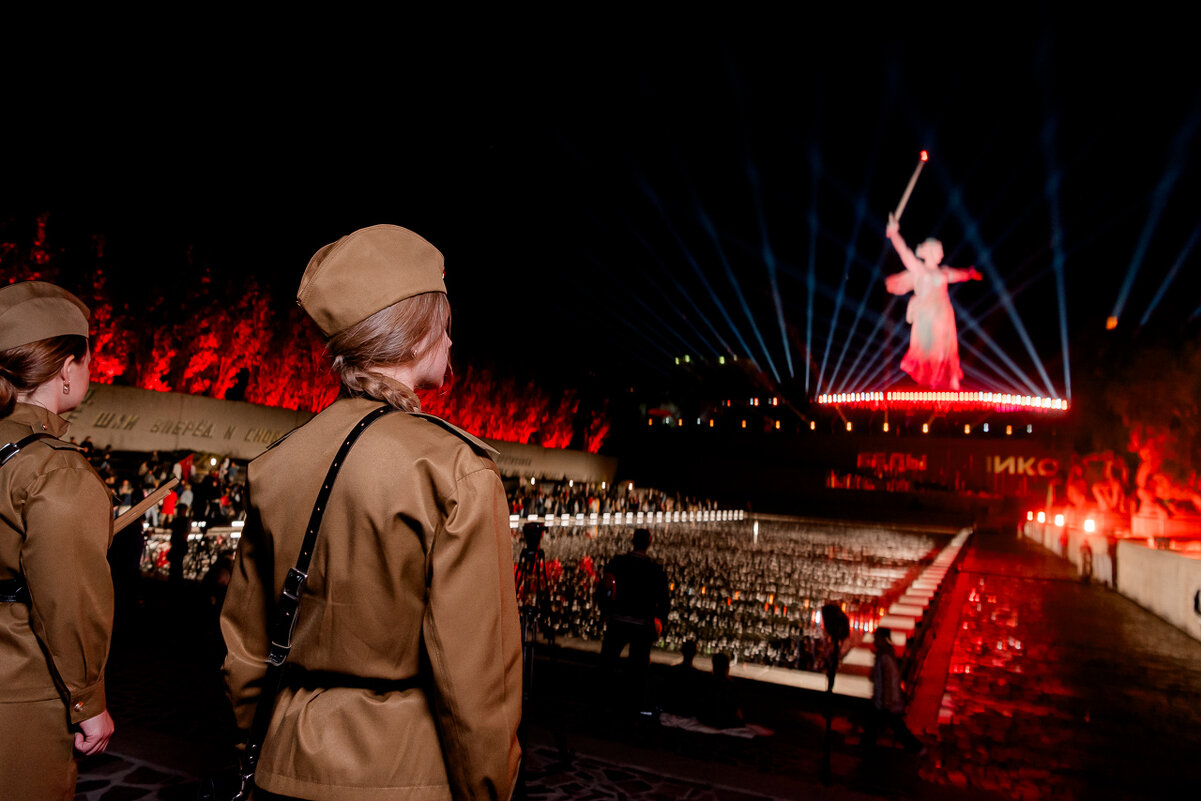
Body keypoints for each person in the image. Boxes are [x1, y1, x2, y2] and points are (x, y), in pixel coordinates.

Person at [220, 224, 521, 801]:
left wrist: (254, 750)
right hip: (404, 774)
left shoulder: (276, 463)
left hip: (283, 765)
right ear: (415, 332)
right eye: (446, 324)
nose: (453, 343)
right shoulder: (454, 470)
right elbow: (478, 684)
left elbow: (243, 650)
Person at [0, 281, 116, 799]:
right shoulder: (54, 470)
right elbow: (67, 603)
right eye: (90, 360)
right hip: (20, 694)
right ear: (67, 368)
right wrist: (89, 702)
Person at [884, 213, 982, 390]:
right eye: (938, 251)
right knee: (931, 346)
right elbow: (904, 252)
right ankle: (935, 378)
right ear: (929, 252)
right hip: (926, 313)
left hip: (943, 311)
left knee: (946, 345)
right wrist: (894, 233)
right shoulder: (919, 269)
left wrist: (970, 273)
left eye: (941, 251)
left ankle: (951, 377)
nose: (941, 254)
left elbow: (959, 274)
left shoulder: (943, 272)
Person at [598, 527, 670, 715]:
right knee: (638, 671)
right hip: (642, 625)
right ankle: (632, 708)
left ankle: (603, 703)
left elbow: (605, 588)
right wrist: (659, 620)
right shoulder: (655, 570)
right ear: (649, 543)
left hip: (617, 621)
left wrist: (605, 611)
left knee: (607, 665)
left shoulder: (617, 563)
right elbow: (664, 600)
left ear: (633, 541)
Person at [863, 627, 925, 754]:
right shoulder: (885, 654)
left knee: (894, 726)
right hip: (888, 701)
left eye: (876, 638)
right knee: (894, 726)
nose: (874, 641)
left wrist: (886, 703)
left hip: (888, 702)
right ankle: (868, 747)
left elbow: (888, 681)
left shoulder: (884, 657)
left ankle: (916, 748)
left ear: (883, 639)